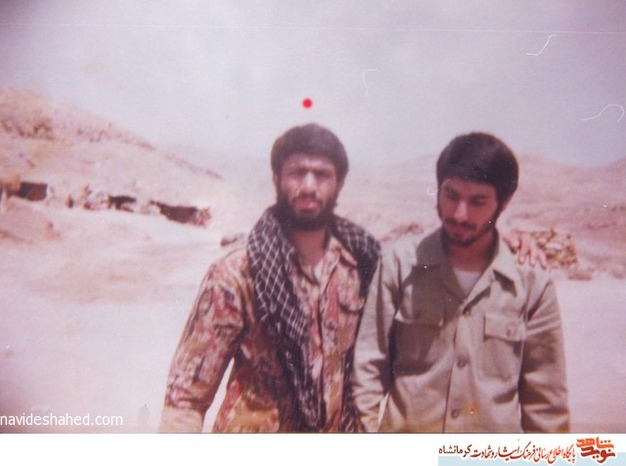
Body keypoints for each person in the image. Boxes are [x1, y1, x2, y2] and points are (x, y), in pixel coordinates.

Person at [160, 123, 380, 432]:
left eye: (322, 175)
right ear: (276, 178)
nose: (309, 186)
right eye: (297, 172)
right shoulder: (236, 274)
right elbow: (185, 399)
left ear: (339, 183)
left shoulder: (359, 269)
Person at [352, 132, 569, 433]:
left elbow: (546, 403)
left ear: (504, 203)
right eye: (451, 195)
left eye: (478, 201)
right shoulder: (399, 265)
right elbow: (368, 368)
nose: (459, 213)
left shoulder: (532, 284)